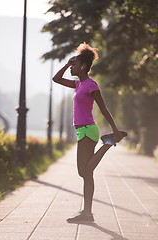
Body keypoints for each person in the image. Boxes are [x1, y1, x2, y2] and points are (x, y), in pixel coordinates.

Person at [52, 42, 125, 223]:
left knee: (83, 172)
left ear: (83, 66)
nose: (72, 68)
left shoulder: (91, 85)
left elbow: (104, 109)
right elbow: (56, 79)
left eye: (74, 65)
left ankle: (108, 143)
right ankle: (88, 214)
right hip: (82, 131)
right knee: (87, 174)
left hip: (88, 130)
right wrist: (68, 63)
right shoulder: (78, 85)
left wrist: (115, 130)